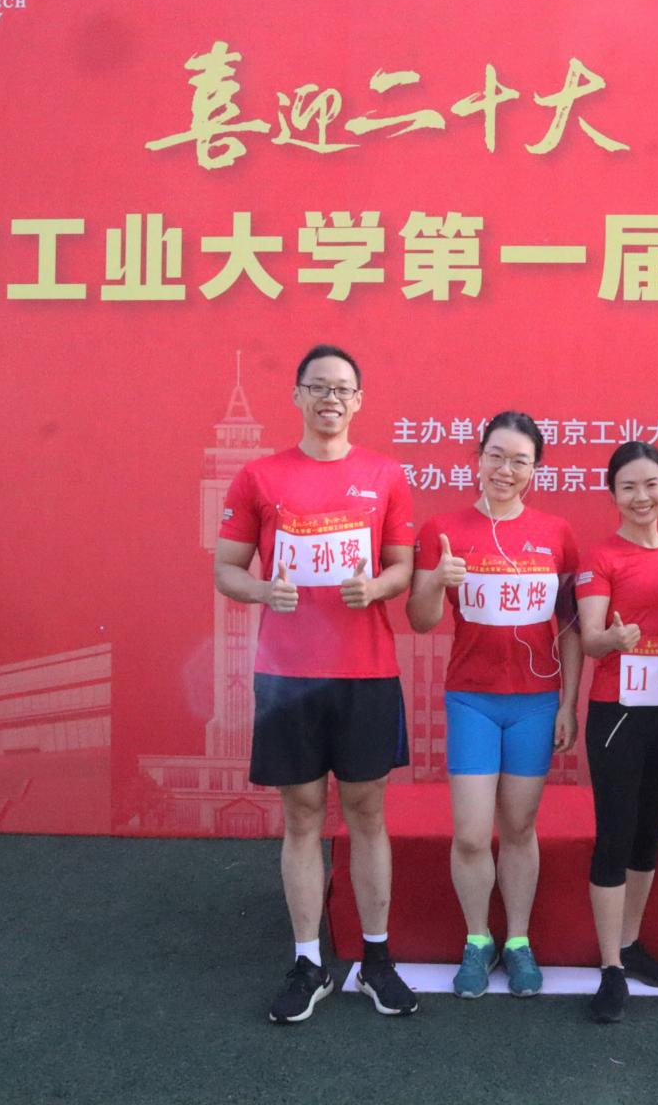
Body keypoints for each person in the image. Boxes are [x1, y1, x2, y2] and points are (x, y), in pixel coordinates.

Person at [213, 344, 420, 1023]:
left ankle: (376, 960)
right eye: (319, 387)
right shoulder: (259, 475)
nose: (331, 399)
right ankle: (308, 961)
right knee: (302, 815)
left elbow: (402, 567)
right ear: (298, 395)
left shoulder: (385, 475)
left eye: (343, 389)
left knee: (366, 814)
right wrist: (263, 592)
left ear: (359, 401)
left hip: (366, 673)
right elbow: (227, 569)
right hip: (287, 677)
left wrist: (377, 587)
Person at [409, 411, 581, 1000]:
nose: (506, 470)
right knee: (469, 833)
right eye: (496, 456)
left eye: (520, 461)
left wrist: (568, 703)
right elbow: (420, 619)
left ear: (536, 470)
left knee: (519, 826)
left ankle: (518, 941)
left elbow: (571, 627)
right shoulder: (442, 530)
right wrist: (437, 580)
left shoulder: (556, 533)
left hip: (536, 702)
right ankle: (478, 939)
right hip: (472, 701)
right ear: (478, 458)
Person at [574, 441, 658, 1023]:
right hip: (619, 715)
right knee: (615, 835)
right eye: (628, 487)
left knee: (648, 835)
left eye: (651, 484)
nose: (641, 496)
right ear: (612, 494)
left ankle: (630, 944)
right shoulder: (600, 557)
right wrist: (613, 639)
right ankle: (610, 967)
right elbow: (589, 637)